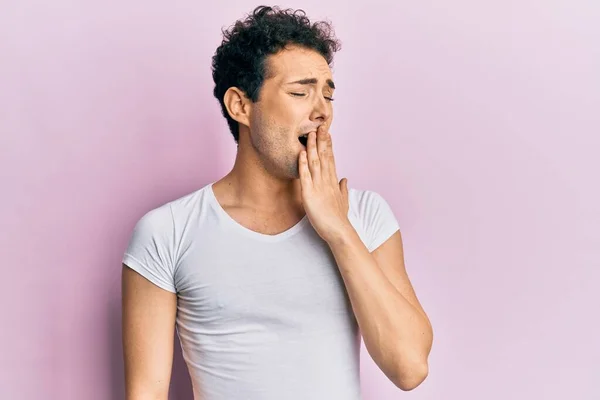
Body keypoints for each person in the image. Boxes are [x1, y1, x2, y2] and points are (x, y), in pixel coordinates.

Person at [121, 5, 433, 400]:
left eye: (328, 95)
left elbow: (410, 368)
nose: (322, 111)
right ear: (241, 106)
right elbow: (145, 392)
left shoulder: (366, 216)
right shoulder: (167, 232)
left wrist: (338, 229)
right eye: (301, 92)